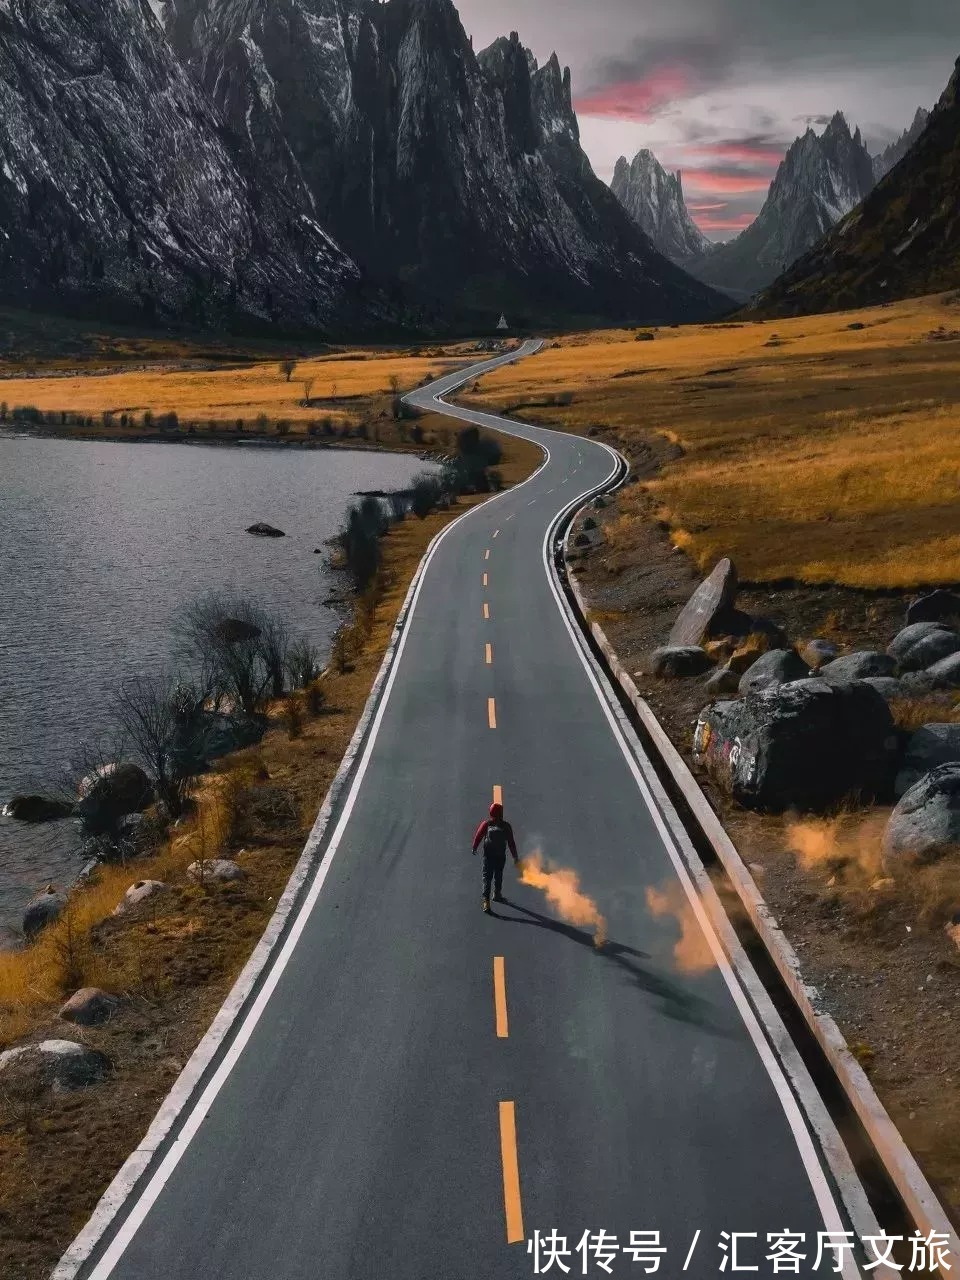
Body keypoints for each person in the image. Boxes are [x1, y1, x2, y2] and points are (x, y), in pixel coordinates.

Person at [472, 801, 518, 913]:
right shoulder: (506, 826)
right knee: (498, 876)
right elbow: (511, 843)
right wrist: (515, 857)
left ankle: (486, 903)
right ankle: (497, 894)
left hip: (488, 856)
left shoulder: (486, 824)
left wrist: (474, 847)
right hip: (500, 856)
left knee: (487, 879)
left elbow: (478, 836)